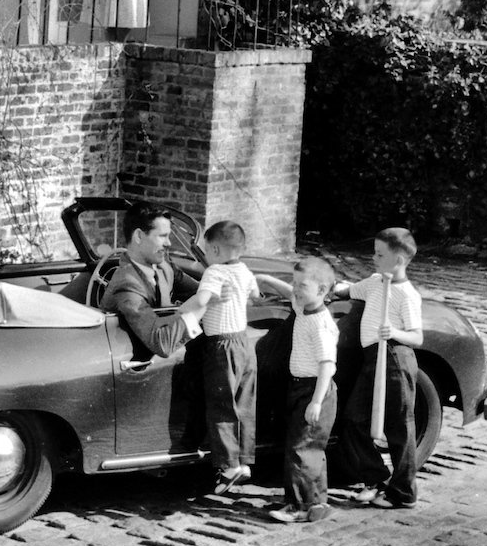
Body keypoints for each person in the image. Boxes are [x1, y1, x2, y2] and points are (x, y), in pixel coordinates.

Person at [333, 228, 424, 509]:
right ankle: (376, 478)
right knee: (353, 420)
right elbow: (346, 290)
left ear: (398, 260)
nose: (373, 257)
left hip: (396, 357)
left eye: (380, 254)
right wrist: (329, 286)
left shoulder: (406, 295)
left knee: (399, 427)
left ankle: (403, 492)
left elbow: (417, 337)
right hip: (373, 358)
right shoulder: (374, 282)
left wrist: (394, 331)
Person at [179, 221, 258, 494]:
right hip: (243, 343)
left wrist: (182, 310)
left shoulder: (214, 271)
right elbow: (255, 295)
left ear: (213, 248)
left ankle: (228, 465)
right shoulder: (244, 270)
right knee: (243, 403)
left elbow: (202, 301)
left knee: (220, 405)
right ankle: (245, 460)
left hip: (220, 346)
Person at [259, 257, 339, 524]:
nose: (295, 289)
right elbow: (289, 292)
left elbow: (327, 365)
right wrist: (268, 281)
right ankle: (316, 502)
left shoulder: (321, 325)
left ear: (322, 291)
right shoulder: (304, 307)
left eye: (301, 285)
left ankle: (300, 507)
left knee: (302, 449)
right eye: (295, 283)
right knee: (309, 449)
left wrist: (316, 402)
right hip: (300, 387)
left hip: (316, 390)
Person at [100, 202, 200, 359]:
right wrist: (201, 306)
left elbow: (198, 290)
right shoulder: (126, 284)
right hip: (129, 360)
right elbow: (161, 344)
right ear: (139, 236)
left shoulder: (163, 266)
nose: (169, 243)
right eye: (162, 236)